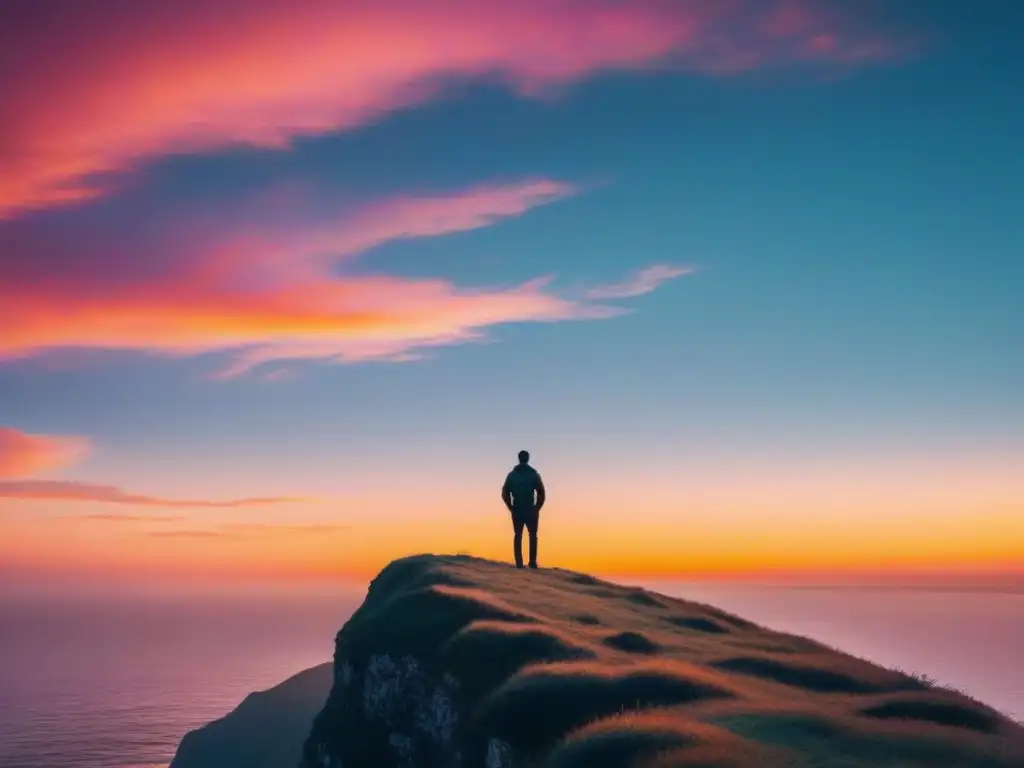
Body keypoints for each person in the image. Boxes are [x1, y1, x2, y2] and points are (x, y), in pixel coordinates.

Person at [501, 450, 545, 569]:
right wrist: (537, 508)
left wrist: (511, 507)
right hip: (530, 509)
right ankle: (532, 562)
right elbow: (542, 493)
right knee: (532, 535)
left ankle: (519, 563)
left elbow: (505, 493)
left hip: (518, 509)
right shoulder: (534, 475)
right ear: (528, 459)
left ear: (519, 459)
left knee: (518, 535)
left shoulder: (512, 475)